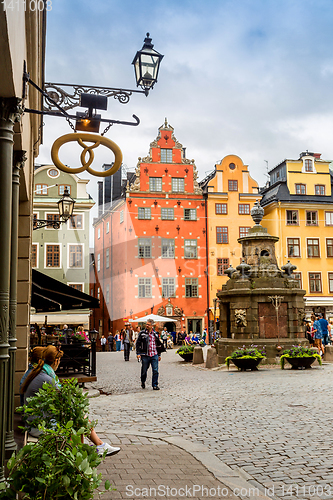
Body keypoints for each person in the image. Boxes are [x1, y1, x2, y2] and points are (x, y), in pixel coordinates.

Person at [21, 345, 120, 456]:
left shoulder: (40, 373)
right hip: (38, 426)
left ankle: (96, 446)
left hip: (35, 422)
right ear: (56, 361)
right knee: (78, 418)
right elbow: (66, 401)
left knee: (77, 416)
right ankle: (91, 449)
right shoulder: (47, 378)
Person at [136, 319, 165, 390]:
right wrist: (138, 353)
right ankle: (143, 381)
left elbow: (158, 345)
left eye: (148, 324)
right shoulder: (142, 333)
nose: (147, 325)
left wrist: (159, 354)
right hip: (145, 355)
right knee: (144, 371)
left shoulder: (155, 334)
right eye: (146, 324)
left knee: (155, 370)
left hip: (154, 354)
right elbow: (138, 344)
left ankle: (155, 385)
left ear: (152, 326)